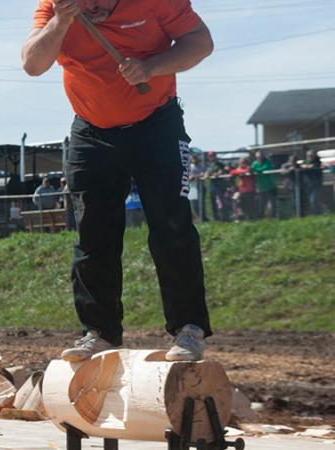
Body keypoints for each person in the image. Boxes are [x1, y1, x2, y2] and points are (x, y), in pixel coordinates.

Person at [22, 0, 214, 361]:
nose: (90, 7)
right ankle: (99, 333)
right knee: (93, 234)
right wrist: (61, 20)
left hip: (157, 123)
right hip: (91, 130)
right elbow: (32, 63)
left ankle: (189, 329)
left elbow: (200, 42)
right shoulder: (57, 5)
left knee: (172, 226)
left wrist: (152, 66)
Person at [205, 151, 231, 221]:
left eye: (212, 155)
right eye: (210, 156)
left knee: (221, 202)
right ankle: (216, 218)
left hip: (220, 186)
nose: (211, 157)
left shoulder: (219, 164)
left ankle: (224, 218)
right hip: (213, 186)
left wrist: (215, 174)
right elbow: (207, 173)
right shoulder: (209, 165)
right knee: (213, 202)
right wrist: (208, 174)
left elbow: (220, 172)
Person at [251, 151, 277, 219]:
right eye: (257, 157)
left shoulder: (268, 162)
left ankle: (273, 217)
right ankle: (261, 218)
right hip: (261, 188)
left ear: (263, 156)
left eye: (260, 156)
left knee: (272, 204)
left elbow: (265, 168)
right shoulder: (255, 163)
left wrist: (255, 170)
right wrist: (254, 170)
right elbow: (251, 169)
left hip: (271, 186)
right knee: (262, 204)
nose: (259, 158)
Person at [230, 157, 256, 221]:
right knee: (235, 200)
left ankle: (250, 218)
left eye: (244, 162)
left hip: (249, 190)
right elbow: (232, 172)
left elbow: (251, 172)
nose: (242, 164)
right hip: (241, 190)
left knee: (249, 205)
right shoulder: (239, 169)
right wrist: (244, 172)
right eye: (241, 162)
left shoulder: (250, 169)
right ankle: (237, 217)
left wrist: (246, 171)